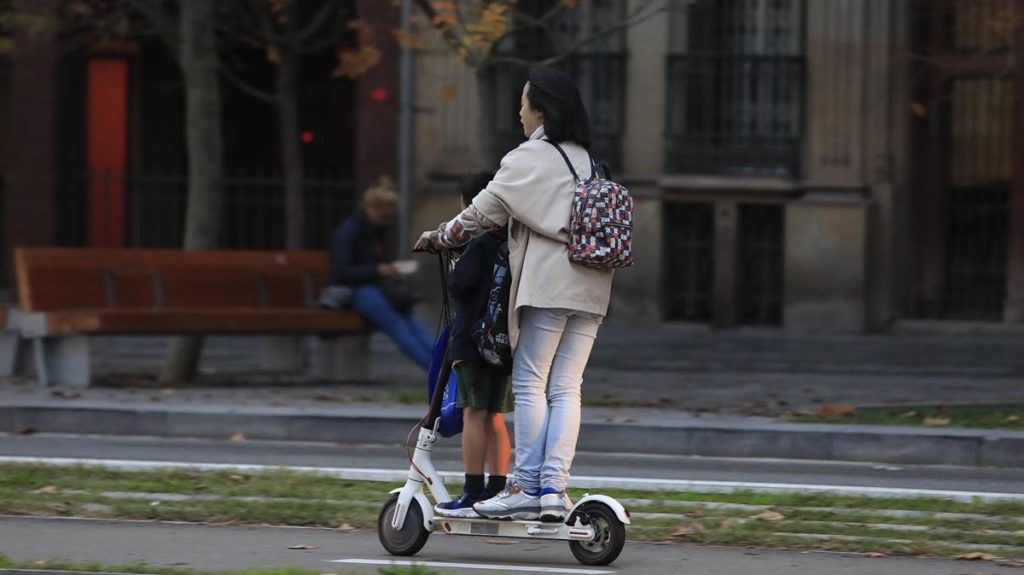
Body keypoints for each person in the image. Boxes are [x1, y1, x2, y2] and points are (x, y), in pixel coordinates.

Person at [415, 68, 614, 522]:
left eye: (523, 104)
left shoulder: (528, 158)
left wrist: (439, 237)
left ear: (541, 110)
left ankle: (524, 485)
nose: (518, 113)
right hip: (593, 284)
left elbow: (479, 214)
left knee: (530, 383)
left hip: (549, 285)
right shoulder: (584, 158)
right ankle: (552, 489)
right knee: (567, 389)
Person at [434, 171, 514, 518]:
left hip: (472, 341)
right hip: (503, 343)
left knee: (473, 415)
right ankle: (498, 488)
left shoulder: (478, 244)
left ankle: (471, 490)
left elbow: (460, 285)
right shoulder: (512, 241)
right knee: (495, 417)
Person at [331, 178, 433, 370]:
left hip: (376, 286)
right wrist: (378, 270)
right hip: (355, 290)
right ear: (370, 208)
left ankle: (443, 368)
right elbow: (341, 271)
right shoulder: (350, 231)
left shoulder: (375, 231)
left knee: (411, 319)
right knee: (397, 324)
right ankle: (436, 372)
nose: (386, 219)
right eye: (382, 214)